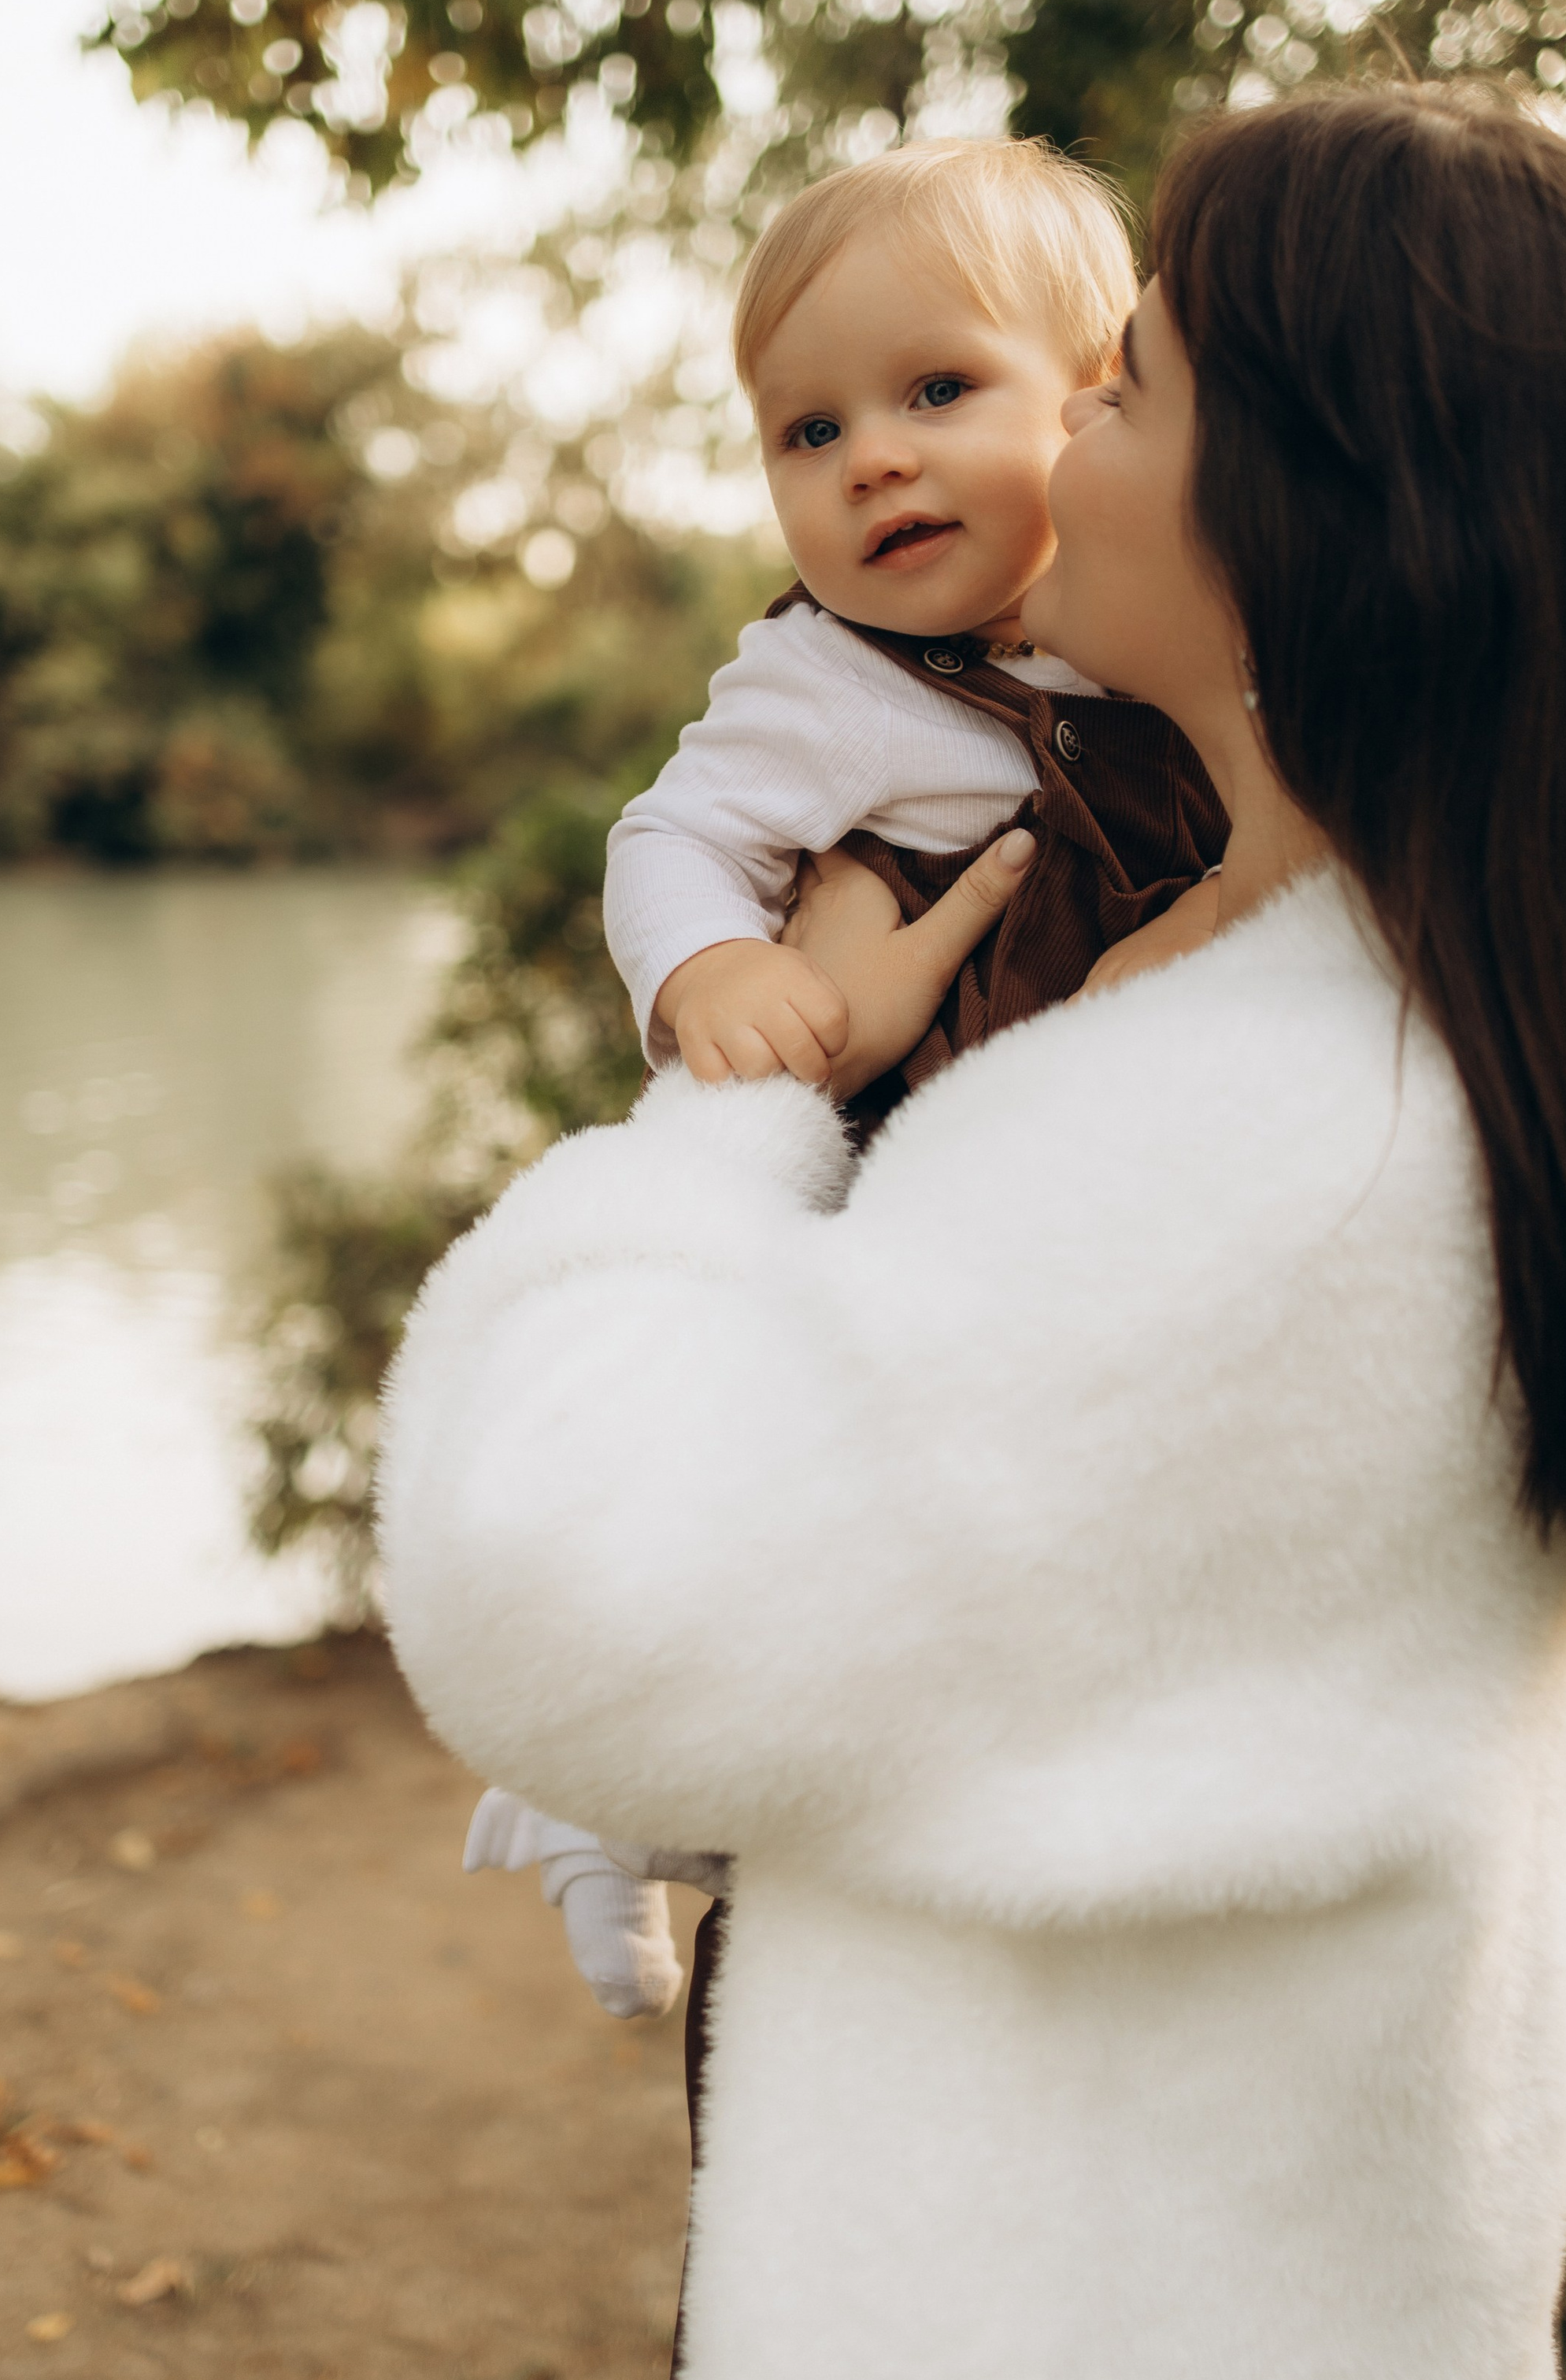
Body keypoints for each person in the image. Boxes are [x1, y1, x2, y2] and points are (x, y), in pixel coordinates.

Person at [378, 80, 1566, 2380]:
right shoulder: (1375, 1015)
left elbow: (573, 1591)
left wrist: (758, 1100)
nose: (1040, 451)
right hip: (1229, 2357)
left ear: (1314, 504)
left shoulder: (1264, 1128)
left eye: (1122, 381)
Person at [465, 135, 1223, 2022]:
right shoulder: (826, 685)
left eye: (935, 390)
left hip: (1061, 1187)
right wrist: (710, 963)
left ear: (1098, 403)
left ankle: (668, 1792)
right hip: (872, 1150)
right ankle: (591, 1791)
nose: (867, 456)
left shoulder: (1175, 647)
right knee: (759, 1494)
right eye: (803, 434)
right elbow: (671, 833)